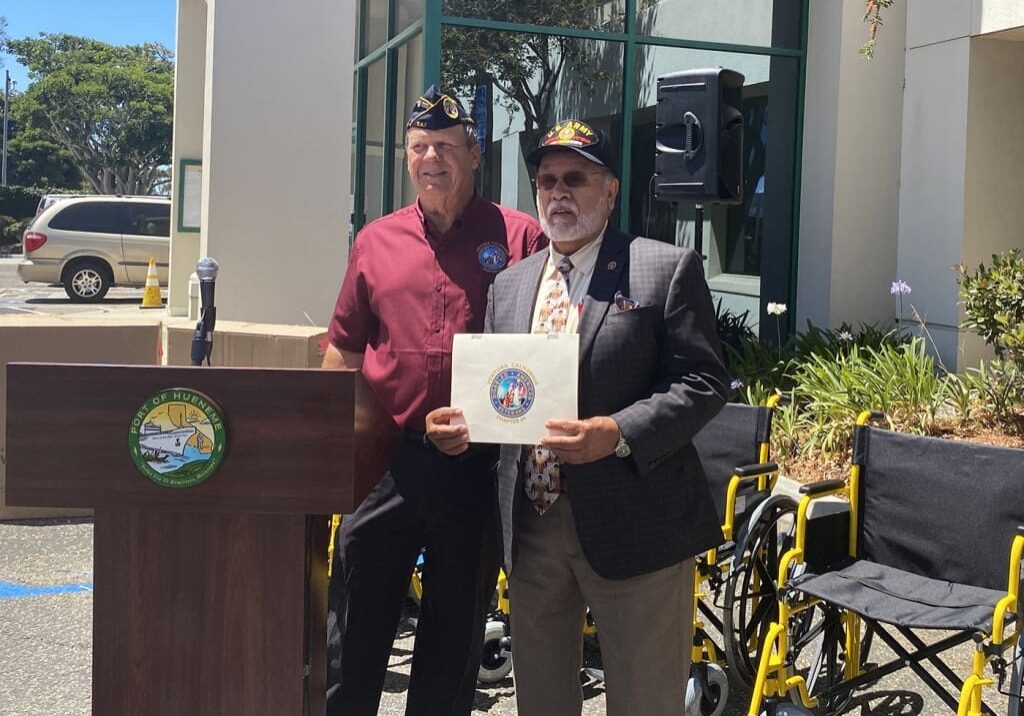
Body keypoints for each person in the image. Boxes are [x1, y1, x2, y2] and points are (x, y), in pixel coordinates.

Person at [425, 119, 728, 716]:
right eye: (546, 181)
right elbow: (504, 394)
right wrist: (464, 429)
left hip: (635, 526)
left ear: (610, 191)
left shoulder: (663, 269)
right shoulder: (508, 287)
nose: (558, 193)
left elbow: (703, 381)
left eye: (575, 179)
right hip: (532, 525)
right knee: (541, 699)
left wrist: (616, 433)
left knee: (644, 700)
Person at [323, 86, 546, 716]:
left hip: (479, 465)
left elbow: (539, 351)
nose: (432, 159)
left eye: (446, 146)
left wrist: (486, 421)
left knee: (454, 631)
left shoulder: (520, 237)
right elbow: (343, 348)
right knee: (357, 622)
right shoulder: (375, 241)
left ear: (475, 155)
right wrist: (326, 448)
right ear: (407, 159)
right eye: (420, 147)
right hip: (387, 460)